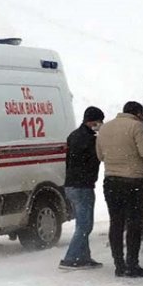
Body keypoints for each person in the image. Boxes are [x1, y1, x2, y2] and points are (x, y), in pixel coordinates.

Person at [95, 101, 143, 278]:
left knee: (116, 223)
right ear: (138, 113)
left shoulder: (105, 128)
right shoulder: (136, 127)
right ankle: (132, 264)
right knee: (134, 224)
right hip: (132, 183)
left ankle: (119, 265)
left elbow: (100, 155)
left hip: (111, 182)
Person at [59, 106, 106, 270]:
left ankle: (83, 257)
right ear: (92, 122)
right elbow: (96, 158)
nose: (101, 125)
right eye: (100, 122)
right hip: (82, 186)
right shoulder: (90, 140)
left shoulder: (73, 136)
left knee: (82, 223)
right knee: (85, 225)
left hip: (72, 185)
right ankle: (70, 258)